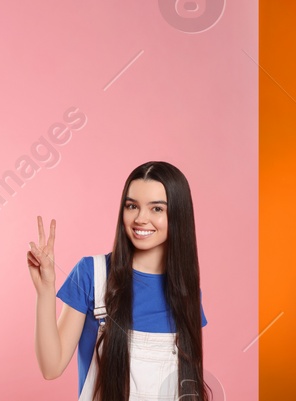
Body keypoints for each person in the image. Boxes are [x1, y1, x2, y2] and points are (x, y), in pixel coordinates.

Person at [29, 161, 210, 401]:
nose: (140, 219)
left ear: (178, 215)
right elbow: (51, 368)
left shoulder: (187, 293)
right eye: (132, 206)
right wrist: (45, 291)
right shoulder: (91, 273)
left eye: (156, 209)